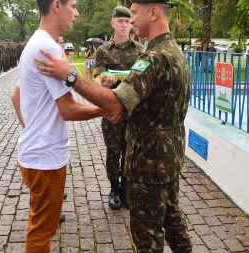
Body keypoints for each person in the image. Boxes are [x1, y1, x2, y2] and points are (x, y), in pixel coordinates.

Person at [35, 0, 193, 252]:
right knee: (172, 217)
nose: (131, 21)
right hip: (170, 156)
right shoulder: (174, 50)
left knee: (147, 234)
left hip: (149, 161)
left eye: (135, 14)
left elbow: (116, 105)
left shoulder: (155, 57)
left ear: (153, 13)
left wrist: (70, 76)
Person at [11, 1, 106, 252]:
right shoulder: (48, 48)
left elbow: (16, 97)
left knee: (39, 224)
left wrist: (33, 130)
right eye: (73, 6)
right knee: (42, 231)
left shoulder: (36, 42)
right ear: (56, 5)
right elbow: (68, 109)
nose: (77, 13)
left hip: (35, 153)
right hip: (46, 159)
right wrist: (106, 109)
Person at [93, 5, 143, 210]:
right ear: (113, 23)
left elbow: (143, 78)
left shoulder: (140, 50)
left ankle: (126, 188)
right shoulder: (103, 51)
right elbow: (97, 76)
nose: (124, 25)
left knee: (130, 151)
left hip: (133, 110)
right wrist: (103, 81)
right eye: (120, 21)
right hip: (112, 109)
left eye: (127, 21)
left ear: (131, 24)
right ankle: (114, 189)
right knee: (113, 151)